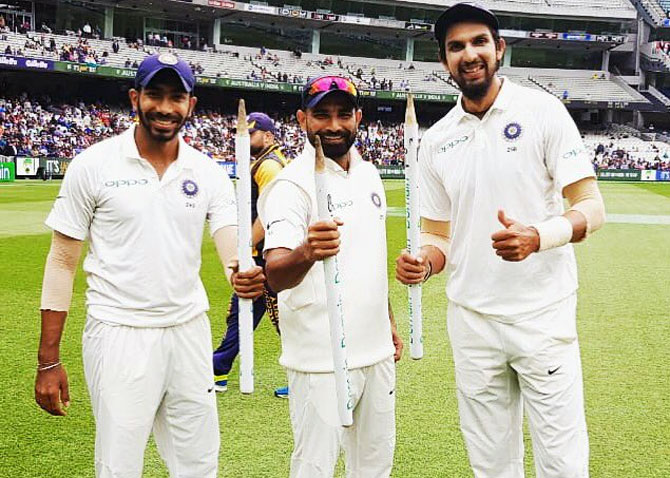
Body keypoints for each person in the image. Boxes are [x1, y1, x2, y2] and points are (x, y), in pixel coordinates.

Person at [395, 4, 606, 478]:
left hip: (541, 314)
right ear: (444, 60)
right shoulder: (437, 140)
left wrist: (538, 237)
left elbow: (592, 208)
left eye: (478, 42)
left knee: (563, 460)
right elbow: (438, 235)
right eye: (456, 47)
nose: (468, 54)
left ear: (499, 49)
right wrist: (424, 263)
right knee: (490, 462)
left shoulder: (543, 111)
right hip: (472, 321)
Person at [33, 53, 265, 478]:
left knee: (198, 464)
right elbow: (62, 263)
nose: (165, 107)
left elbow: (230, 241)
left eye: (176, 97)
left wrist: (241, 273)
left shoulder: (207, 171)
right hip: (119, 331)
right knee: (119, 466)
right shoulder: (94, 164)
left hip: (188, 331)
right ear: (134, 98)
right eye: (154, 95)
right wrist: (48, 360)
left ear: (190, 106)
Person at [258, 75, 403, 478]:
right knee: (314, 468)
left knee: (374, 466)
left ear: (359, 118)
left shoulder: (370, 174)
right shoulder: (290, 185)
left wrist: (388, 321)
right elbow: (276, 275)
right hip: (320, 357)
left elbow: (369, 256)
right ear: (303, 119)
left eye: (343, 114)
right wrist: (307, 251)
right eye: (322, 115)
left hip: (375, 352)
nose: (334, 125)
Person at [213, 112, 289, 397]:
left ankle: (305, 371)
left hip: (269, 255)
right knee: (244, 312)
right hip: (263, 254)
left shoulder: (269, 165)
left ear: (268, 136)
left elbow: (270, 210)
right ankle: (218, 367)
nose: (243, 139)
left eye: (251, 134)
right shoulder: (263, 162)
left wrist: (246, 246)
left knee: (282, 317)